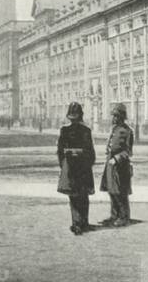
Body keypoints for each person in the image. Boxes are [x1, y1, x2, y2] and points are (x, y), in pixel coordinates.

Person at [56, 101, 96, 235]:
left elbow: (60, 151)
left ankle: (77, 223)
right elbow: (91, 152)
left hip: (71, 167)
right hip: (83, 168)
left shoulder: (64, 130)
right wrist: (88, 164)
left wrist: (64, 165)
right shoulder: (86, 131)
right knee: (83, 196)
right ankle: (83, 222)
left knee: (74, 196)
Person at [100, 103, 135, 227]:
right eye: (113, 116)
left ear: (121, 117)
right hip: (110, 164)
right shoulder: (114, 129)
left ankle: (123, 217)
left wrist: (117, 158)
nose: (113, 118)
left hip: (120, 166)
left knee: (120, 192)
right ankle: (114, 215)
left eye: (116, 116)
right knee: (111, 190)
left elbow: (128, 151)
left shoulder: (127, 131)